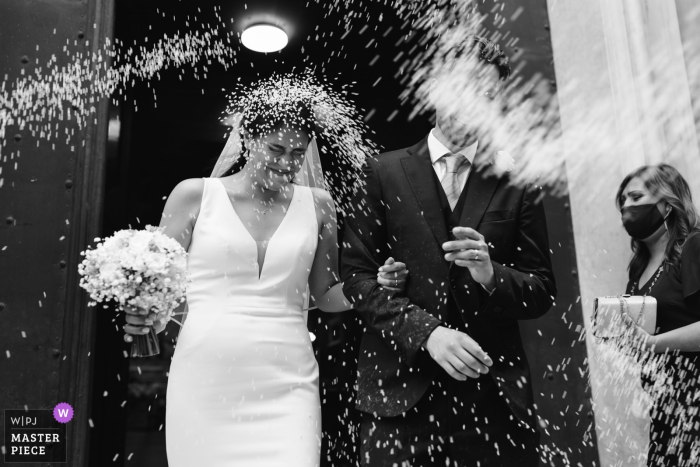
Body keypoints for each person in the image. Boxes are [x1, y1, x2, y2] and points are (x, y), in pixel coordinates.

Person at [123, 86, 408, 466]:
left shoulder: (318, 205)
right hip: (206, 374)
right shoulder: (194, 196)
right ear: (248, 138)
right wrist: (141, 311)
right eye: (275, 149)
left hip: (288, 381)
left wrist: (374, 285)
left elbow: (325, 294)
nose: (287, 162)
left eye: (297, 152)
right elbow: (160, 286)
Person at [341, 36, 556, 466]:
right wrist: (428, 334)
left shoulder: (518, 179)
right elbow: (356, 280)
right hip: (397, 399)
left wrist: (492, 274)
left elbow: (542, 291)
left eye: (489, 96)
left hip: (494, 403)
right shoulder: (380, 171)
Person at [616, 163, 700, 467]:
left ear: (666, 204)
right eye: (623, 201)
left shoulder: (694, 246)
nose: (626, 206)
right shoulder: (637, 271)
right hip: (665, 413)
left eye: (636, 197)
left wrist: (652, 344)